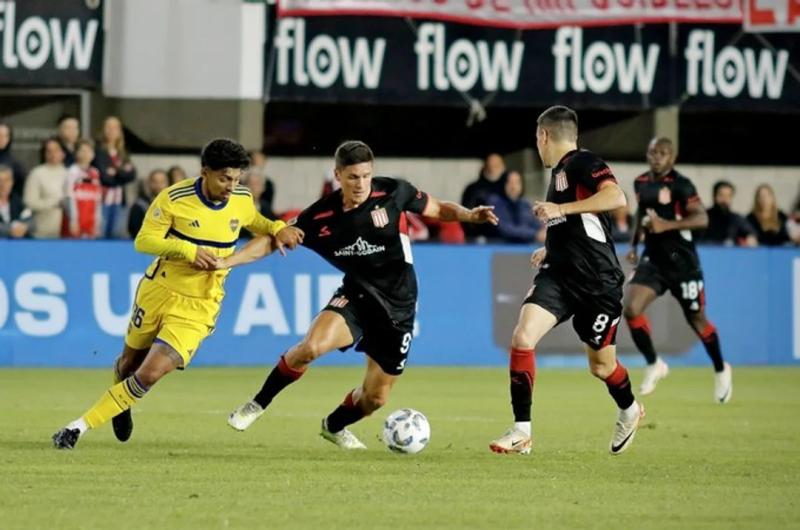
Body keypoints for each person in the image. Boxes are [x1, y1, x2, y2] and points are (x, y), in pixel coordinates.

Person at [222, 140, 498, 450]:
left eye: (366, 175)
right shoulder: (321, 216)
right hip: (357, 296)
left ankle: (334, 426)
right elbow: (275, 240)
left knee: (375, 399)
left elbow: (438, 208)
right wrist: (228, 261)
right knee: (311, 347)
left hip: (399, 307)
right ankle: (258, 404)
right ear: (338, 175)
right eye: (353, 177)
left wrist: (469, 216)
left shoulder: (394, 192)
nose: (361, 184)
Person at [51, 138, 304, 450]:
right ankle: (121, 399)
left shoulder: (240, 197)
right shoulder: (174, 198)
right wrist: (187, 249)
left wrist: (278, 226)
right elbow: (143, 241)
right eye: (224, 178)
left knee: (151, 372)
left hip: (200, 303)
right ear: (205, 172)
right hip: (159, 289)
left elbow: (255, 221)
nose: (230, 186)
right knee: (129, 364)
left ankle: (77, 427)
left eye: (236, 179)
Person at [488, 106, 642, 456]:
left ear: (543, 135)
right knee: (523, 336)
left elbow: (616, 198)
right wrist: (551, 247)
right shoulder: (559, 171)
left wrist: (559, 210)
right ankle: (521, 431)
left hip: (598, 284)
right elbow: (580, 225)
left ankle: (631, 409)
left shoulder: (582, 162)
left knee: (602, 367)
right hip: (560, 275)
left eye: (537, 138)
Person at [623, 137, 732, 401]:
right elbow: (641, 212)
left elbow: (702, 218)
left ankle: (720, 369)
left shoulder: (682, 185)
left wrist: (666, 225)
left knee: (697, 320)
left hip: (684, 264)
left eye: (662, 153)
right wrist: (635, 244)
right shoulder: (641, 182)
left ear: (672, 157)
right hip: (654, 260)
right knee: (631, 309)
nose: (656, 157)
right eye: (652, 152)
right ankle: (654, 364)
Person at [94, 116, 137, 238]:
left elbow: (132, 174)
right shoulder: (98, 151)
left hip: (119, 201)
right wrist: (122, 171)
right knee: (101, 233)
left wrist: (116, 171)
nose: (111, 130)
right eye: (108, 127)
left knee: (116, 234)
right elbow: (104, 177)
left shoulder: (122, 153)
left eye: (115, 128)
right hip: (102, 200)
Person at [22, 138, 68, 239]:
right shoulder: (37, 173)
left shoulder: (69, 173)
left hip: (67, 233)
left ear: (63, 153)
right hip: (42, 232)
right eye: (49, 151)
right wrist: (54, 202)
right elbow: (29, 202)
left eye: (56, 150)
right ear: (44, 154)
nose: (53, 154)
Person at [486, 170, 543, 244]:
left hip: (523, 249)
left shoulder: (525, 204)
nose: (513, 187)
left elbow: (536, 225)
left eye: (517, 182)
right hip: (497, 249)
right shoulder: (494, 202)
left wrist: (543, 231)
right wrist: (535, 234)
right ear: (503, 184)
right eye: (510, 182)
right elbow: (506, 229)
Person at [461, 153, 509, 240]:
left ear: (503, 167)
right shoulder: (473, 189)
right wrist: (473, 236)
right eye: (490, 165)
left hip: (508, 239)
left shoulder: (509, 188)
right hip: (479, 239)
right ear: (485, 166)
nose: (493, 168)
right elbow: (466, 213)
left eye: (496, 165)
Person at [64, 139, 103, 239]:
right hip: (76, 219)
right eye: (82, 150)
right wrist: (73, 220)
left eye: (89, 151)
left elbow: (98, 200)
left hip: (90, 219)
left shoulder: (95, 172)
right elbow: (69, 197)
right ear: (76, 153)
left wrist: (97, 222)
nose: (86, 154)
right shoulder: (72, 172)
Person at [702, 181, 757, 247]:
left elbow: (750, 232)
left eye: (728, 196)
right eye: (721, 195)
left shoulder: (736, 220)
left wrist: (751, 237)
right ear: (714, 196)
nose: (725, 199)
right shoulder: (703, 217)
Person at [128, 169, 169, 238]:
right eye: (154, 181)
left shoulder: (175, 206)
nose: (158, 185)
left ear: (168, 183)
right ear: (149, 183)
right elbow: (134, 230)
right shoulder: (139, 206)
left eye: (162, 182)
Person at [0, 165, 34, 238]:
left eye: (6, 180)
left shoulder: (16, 200)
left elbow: (31, 222)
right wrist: (10, 229)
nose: (2, 185)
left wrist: (24, 227)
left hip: (16, 245)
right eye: (0, 181)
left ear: (12, 182)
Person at [0, 121, 27, 198]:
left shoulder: (15, 164)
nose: (2, 139)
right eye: (0, 135)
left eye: (5, 136)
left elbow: (20, 190)